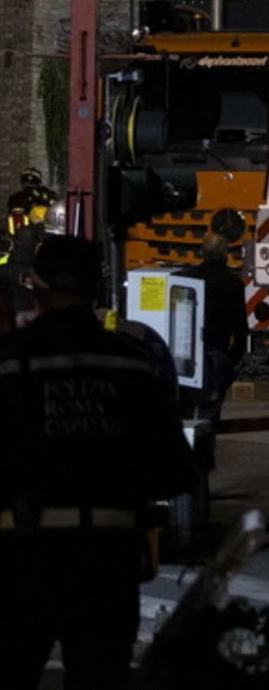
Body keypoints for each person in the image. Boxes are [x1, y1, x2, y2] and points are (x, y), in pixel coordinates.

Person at [0, 235, 194, 690]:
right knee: (99, 676)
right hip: (106, 559)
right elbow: (174, 470)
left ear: (36, 286)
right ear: (99, 287)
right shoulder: (133, 362)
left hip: (21, 558)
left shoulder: (8, 362)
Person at [192, 232, 249, 420]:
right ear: (225, 254)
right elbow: (241, 328)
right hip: (218, 355)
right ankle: (206, 445)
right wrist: (232, 359)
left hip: (189, 354)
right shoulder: (233, 284)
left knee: (184, 410)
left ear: (202, 252)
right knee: (210, 412)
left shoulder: (186, 279)